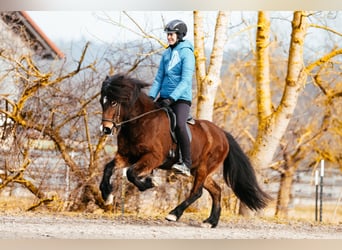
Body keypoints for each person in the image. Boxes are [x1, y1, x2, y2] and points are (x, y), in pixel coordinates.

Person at [149, 19, 195, 177]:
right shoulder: (167, 53)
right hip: (164, 97)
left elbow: (186, 80)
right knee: (149, 123)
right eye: (168, 34)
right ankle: (151, 165)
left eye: (171, 34)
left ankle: (186, 164)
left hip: (181, 99)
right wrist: (150, 98)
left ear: (180, 35)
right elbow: (158, 79)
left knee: (180, 125)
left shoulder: (187, 53)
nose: (169, 37)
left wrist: (173, 98)